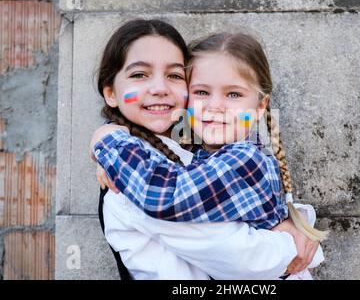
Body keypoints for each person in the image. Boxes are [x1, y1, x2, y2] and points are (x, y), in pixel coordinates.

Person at [91, 19, 327, 279]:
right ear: (110, 93)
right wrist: (108, 140)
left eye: (174, 75)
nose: (159, 88)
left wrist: (295, 226)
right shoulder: (128, 181)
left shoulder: (218, 156)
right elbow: (247, 257)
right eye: (139, 74)